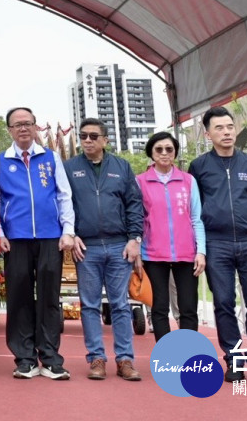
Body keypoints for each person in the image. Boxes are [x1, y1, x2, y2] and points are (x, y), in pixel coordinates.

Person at [188, 106, 247, 385]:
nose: (226, 132)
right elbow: (195, 206)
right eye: (219, 128)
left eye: (229, 126)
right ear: (208, 134)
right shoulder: (199, 167)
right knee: (224, 303)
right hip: (217, 243)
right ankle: (234, 360)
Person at [0, 107, 76, 380]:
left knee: (49, 298)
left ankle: (50, 358)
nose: (23, 128)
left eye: (28, 123)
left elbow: (63, 195)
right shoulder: (1, 161)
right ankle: (25, 358)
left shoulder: (51, 158)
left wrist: (68, 230)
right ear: (9, 130)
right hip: (15, 239)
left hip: (51, 237)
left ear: (36, 127)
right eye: (17, 125)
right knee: (19, 298)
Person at [65, 118, 144, 382]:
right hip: (86, 248)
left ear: (105, 140)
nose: (87, 140)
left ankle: (125, 360)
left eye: (93, 136)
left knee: (120, 304)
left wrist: (134, 239)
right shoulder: (69, 168)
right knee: (89, 305)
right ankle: (96, 359)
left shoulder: (122, 167)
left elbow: (134, 204)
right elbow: (62, 204)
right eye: (83, 136)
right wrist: (71, 233)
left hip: (119, 245)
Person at [136, 131, 206, 340]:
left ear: (175, 152)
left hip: (186, 254)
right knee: (159, 308)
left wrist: (201, 251)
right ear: (151, 153)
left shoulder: (188, 181)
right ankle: (165, 353)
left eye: (169, 149)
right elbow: (137, 219)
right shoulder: (140, 182)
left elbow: (196, 218)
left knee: (188, 308)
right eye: (159, 149)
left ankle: (187, 352)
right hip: (153, 254)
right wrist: (137, 251)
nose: (164, 153)